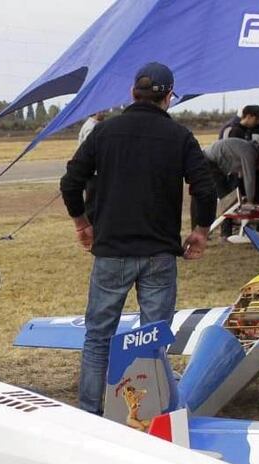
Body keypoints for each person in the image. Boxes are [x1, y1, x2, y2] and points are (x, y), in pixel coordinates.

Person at [60, 61, 216, 415]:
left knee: (98, 338)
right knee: (152, 340)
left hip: (111, 252)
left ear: (133, 92)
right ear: (169, 97)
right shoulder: (180, 136)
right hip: (159, 254)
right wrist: (201, 230)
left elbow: (70, 182)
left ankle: (89, 414)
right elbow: (205, 188)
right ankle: (147, 416)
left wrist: (82, 223)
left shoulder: (103, 132)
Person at [199, 137, 257, 236]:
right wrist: (250, 200)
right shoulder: (249, 153)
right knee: (227, 199)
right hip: (209, 162)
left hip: (212, 161)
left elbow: (241, 174)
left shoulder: (244, 147)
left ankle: (227, 230)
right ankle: (225, 233)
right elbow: (249, 178)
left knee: (230, 197)